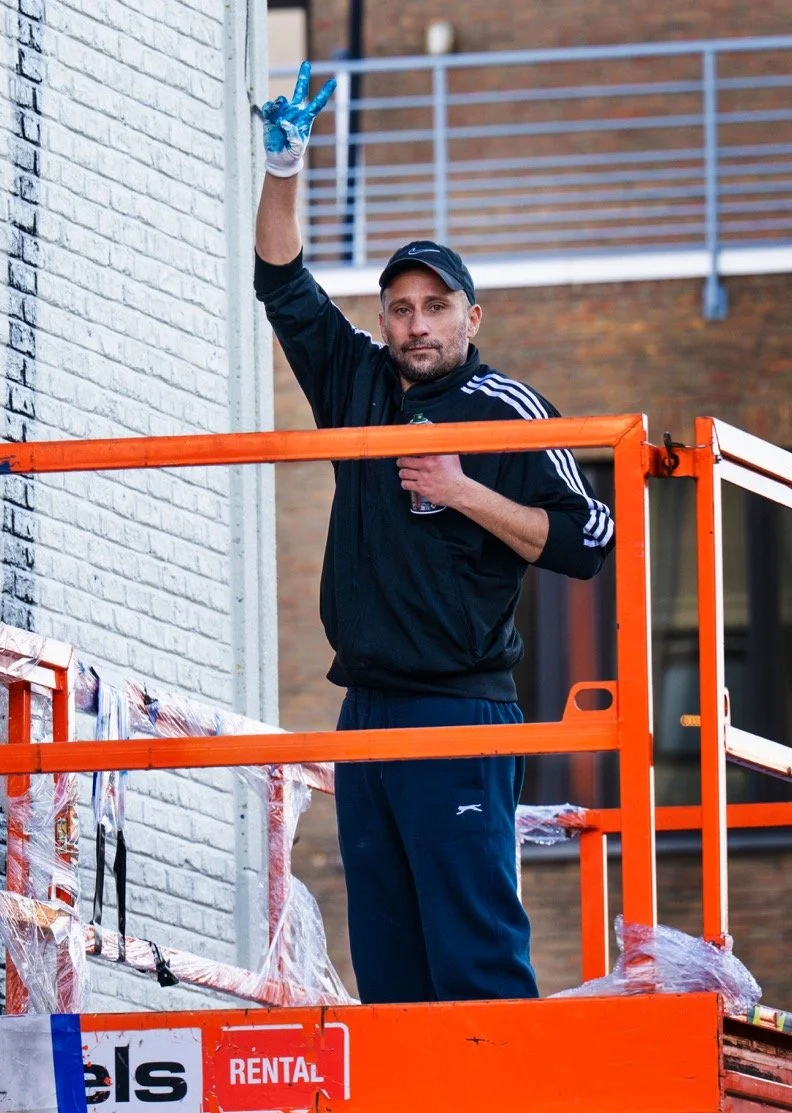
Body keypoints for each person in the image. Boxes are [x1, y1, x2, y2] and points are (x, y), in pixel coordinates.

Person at [254, 63, 615, 1005]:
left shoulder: (507, 409)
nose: (417, 325)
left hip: (458, 711)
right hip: (365, 710)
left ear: (471, 317)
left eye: (436, 307)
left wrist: (464, 490)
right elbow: (282, 284)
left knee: (472, 946)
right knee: (387, 951)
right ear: (385, 318)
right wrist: (286, 165)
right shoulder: (359, 385)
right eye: (401, 309)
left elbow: (590, 539)